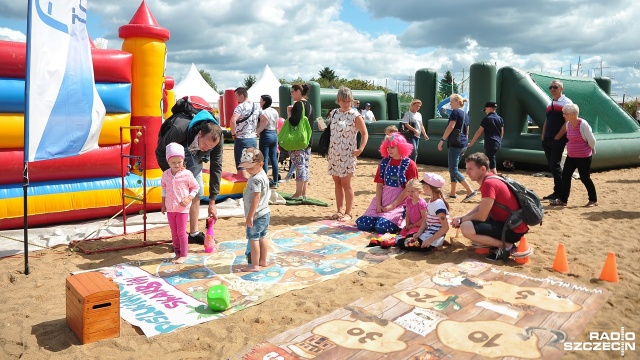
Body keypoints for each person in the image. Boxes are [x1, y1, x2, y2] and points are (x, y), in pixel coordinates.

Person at [156, 96, 223, 245]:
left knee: (195, 191)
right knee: (176, 194)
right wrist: (172, 175)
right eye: (205, 145)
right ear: (200, 133)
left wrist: (212, 201)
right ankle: (179, 235)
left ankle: (193, 232)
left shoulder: (217, 137)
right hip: (175, 151)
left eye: (210, 148)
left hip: (194, 156)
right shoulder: (179, 128)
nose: (207, 149)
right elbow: (160, 151)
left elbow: (216, 166)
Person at [452, 152, 529, 261]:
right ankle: (497, 244)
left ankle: (506, 246)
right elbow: (482, 206)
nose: (467, 172)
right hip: (513, 225)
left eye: (470, 169)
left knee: (466, 227)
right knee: (466, 222)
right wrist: (462, 217)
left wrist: (461, 220)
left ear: (483, 169)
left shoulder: (489, 184)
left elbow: (481, 216)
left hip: (513, 231)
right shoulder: (492, 178)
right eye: (466, 168)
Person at [355, 134, 419, 234]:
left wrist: (393, 205)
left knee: (382, 227)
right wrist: (378, 204)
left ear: (401, 147)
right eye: (387, 147)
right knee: (363, 224)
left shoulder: (410, 164)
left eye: (392, 147)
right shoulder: (384, 163)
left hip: (400, 201)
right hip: (383, 199)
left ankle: (398, 221)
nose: (389, 150)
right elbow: (379, 185)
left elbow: (409, 189)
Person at [326, 86, 369, 222]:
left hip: (348, 153)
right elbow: (331, 130)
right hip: (333, 152)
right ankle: (339, 210)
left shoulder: (355, 115)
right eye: (343, 100)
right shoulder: (333, 113)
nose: (346, 103)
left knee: (346, 183)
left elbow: (364, 133)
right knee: (337, 182)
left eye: (348, 100)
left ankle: (348, 212)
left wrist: (361, 148)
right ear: (338, 100)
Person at [550, 104, 598, 207]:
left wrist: (588, 150)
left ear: (573, 114)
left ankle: (593, 199)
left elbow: (592, 141)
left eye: (565, 114)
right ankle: (563, 200)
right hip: (571, 156)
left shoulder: (583, 124)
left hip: (584, 157)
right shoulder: (568, 124)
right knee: (566, 176)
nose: (563, 115)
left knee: (585, 178)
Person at [161, 143, 200, 264]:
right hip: (170, 208)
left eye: (180, 162)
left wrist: (189, 198)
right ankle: (177, 253)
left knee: (181, 232)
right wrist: (163, 204)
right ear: (168, 162)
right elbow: (164, 189)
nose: (177, 165)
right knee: (174, 232)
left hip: (182, 209)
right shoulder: (165, 174)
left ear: (183, 160)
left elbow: (196, 187)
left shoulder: (187, 174)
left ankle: (184, 254)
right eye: (173, 163)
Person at [437, 94, 477, 202]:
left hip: (455, 144)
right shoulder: (465, 114)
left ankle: (470, 190)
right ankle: (453, 193)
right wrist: (465, 143)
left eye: (451, 101)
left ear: (456, 101)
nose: (450, 103)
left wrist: (442, 140)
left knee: (453, 169)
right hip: (463, 144)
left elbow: (451, 127)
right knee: (454, 169)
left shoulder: (455, 112)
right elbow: (467, 131)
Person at [238, 148, 271, 272]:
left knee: (254, 239)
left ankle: (255, 265)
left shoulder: (256, 179)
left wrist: (250, 216)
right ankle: (263, 260)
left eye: (251, 167)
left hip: (257, 215)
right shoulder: (263, 175)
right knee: (262, 237)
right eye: (246, 167)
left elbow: (256, 198)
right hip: (265, 213)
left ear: (261, 164)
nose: (249, 170)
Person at [398, 173, 450, 252]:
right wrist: (419, 233)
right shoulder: (431, 201)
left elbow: (445, 227)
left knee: (401, 243)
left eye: (423, 186)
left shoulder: (438, 204)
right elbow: (426, 219)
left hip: (432, 238)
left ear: (428, 187)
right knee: (408, 238)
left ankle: (436, 245)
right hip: (428, 233)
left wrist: (429, 240)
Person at [541, 80, 573, 201]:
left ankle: (560, 194)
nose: (552, 89)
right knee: (552, 166)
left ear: (561, 89)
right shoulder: (550, 103)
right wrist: (543, 136)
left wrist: (558, 137)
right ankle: (557, 192)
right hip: (548, 139)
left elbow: (568, 121)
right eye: (551, 87)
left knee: (555, 165)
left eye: (555, 87)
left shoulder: (567, 102)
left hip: (557, 140)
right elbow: (546, 121)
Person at [286, 84, 314, 199]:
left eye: (292, 92)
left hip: (298, 141)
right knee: (305, 166)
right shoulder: (309, 105)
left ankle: (298, 193)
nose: (291, 94)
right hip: (308, 139)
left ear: (298, 91)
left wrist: (289, 112)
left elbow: (293, 122)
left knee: (299, 166)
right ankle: (303, 193)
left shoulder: (298, 104)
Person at [230, 87, 260, 179]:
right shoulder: (256, 106)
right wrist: (257, 131)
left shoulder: (240, 107)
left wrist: (233, 134)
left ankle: (242, 187)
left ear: (242, 95)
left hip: (242, 138)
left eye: (236, 96)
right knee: (252, 163)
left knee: (242, 164)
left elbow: (232, 121)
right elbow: (263, 119)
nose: (236, 99)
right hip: (253, 138)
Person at [469, 101, 504, 174]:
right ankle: (489, 177)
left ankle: (496, 179)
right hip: (497, 142)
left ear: (489, 108)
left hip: (490, 143)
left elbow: (479, 132)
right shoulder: (500, 118)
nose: (485, 111)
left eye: (485, 109)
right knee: (487, 161)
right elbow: (502, 132)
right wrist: (499, 141)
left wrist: (472, 142)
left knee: (491, 164)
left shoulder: (487, 119)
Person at [393, 179, 427, 247]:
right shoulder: (408, 200)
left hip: (419, 227)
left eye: (412, 192)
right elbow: (407, 214)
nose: (410, 194)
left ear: (419, 192)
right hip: (411, 225)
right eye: (408, 191)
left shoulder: (421, 203)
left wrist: (412, 226)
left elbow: (424, 219)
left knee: (409, 235)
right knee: (402, 233)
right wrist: (407, 225)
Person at [256, 94, 279, 189]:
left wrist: (257, 132)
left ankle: (265, 181)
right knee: (274, 158)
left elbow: (263, 123)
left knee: (264, 158)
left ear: (264, 101)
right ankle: (276, 181)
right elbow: (277, 125)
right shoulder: (275, 111)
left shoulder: (263, 112)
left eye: (261, 100)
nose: (260, 102)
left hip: (266, 134)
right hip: (274, 134)